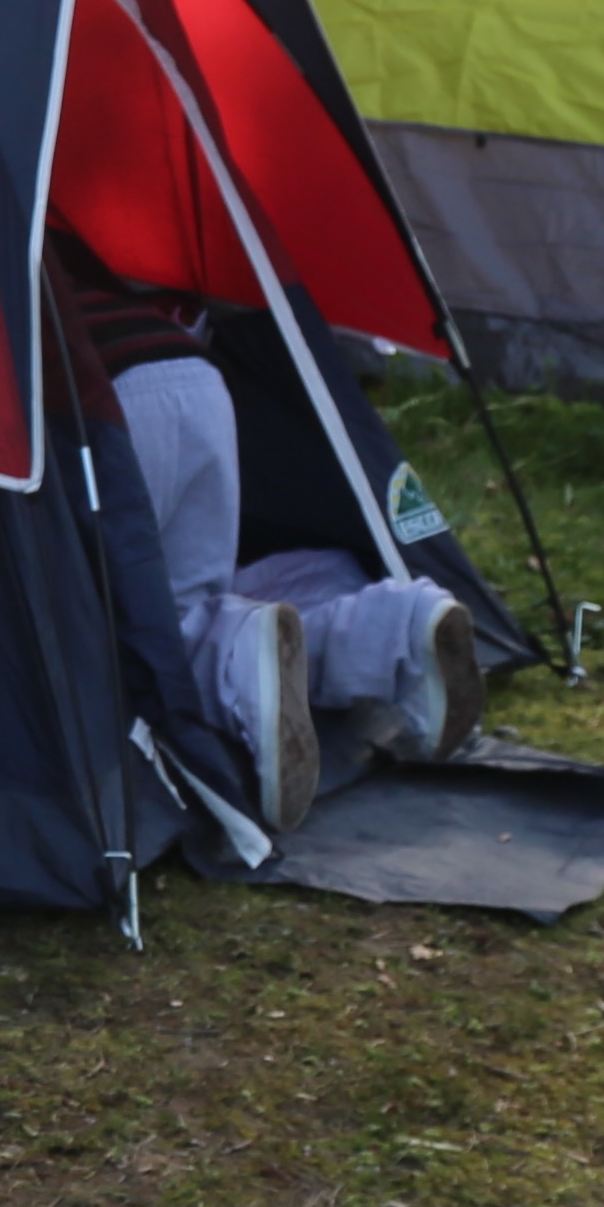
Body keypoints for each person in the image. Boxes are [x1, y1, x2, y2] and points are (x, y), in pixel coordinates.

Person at [57, 251, 482, 835]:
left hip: (93, 398)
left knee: (127, 628)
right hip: (192, 373)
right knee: (184, 603)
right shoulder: (42, 228)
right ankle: (397, 625)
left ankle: (240, 653)